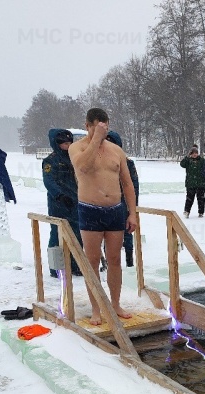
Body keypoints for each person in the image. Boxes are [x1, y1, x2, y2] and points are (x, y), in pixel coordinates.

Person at [68, 108, 137, 325]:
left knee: (115, 259)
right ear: (87, 125)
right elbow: (83, 167)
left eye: (104, 127)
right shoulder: (76, 148)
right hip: (90, 209)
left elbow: (127, 183)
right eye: (96, 127)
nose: (101, 130)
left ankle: (114, 304)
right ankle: (97, 307)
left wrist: (132, 213)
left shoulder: (116, 150)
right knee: (93, 261)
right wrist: (95, 139)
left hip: (115, 209)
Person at [42, 129, 83, 277]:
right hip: (58, 204)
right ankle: (56, 267)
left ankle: (76, 264)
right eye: (65, 143)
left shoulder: (74, 158)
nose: (68, 145)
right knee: (57, 236)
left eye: (69, 142)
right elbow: (49, 181)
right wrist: (59, 195)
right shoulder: (50, 161)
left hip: (75, 203)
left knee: (77, 234)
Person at [105, 130, 139, 267]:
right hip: (107, 204)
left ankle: (129, 262)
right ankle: (109, 263)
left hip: (123, 203)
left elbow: (133, 186)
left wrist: (133, 209)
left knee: (127, 234)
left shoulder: (127, 163)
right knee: (107, 236)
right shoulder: (100, 162)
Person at [180, 145, 205, 218]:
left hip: (201, 183)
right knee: (189, 198)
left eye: (196, 153)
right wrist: (187, 157)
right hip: (190, 183)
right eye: (193, 153)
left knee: (201, 198)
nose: (195, 154)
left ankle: (201, 212)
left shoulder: (202, 160)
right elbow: (182, 164)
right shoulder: (188, 160)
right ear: (190, 154)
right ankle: (187, 211)